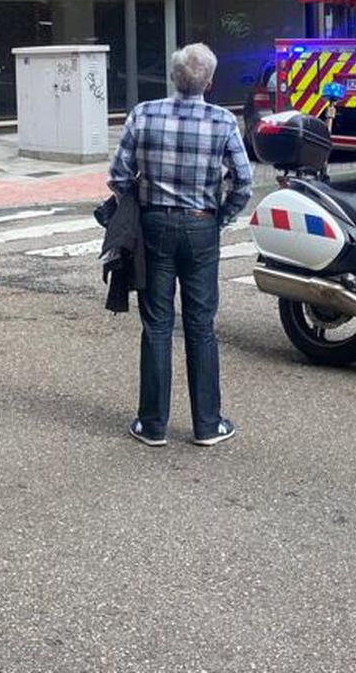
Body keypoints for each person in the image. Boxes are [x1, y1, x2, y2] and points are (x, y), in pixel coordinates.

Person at [109, 43, 253, 447]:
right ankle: (207, 424)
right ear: (209, 80)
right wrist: (219, 217)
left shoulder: (144, 114)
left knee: (156, 324)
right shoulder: (223, 121)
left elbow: (119, 176)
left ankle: (152, 425)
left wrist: (138, 203)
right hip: (201, 226)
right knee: (200, 325)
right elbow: (243, 182)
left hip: (154, 225)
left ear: (173, 77)